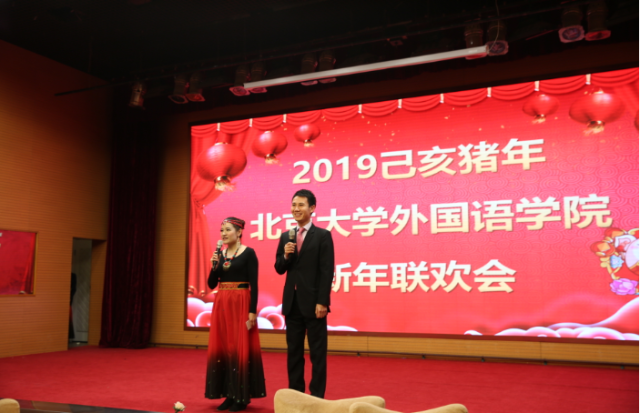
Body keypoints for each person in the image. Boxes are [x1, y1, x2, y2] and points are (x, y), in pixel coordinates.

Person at [275, 189, 335, 398]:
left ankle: (317, 397)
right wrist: (286, 255)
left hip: (314, 304)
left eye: (301, 205)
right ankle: (296, 395)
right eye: (294, 205)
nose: (296, 209)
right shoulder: (286, 236)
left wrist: (322, 302)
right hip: (292, 303)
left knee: (317, 354)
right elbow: (279, 268)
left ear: (312, 208)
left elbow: (326, 271)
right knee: (294, 352)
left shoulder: (323, 236)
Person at [205, 217, 266, 412]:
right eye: (222, 230)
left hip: (241, 302)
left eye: (228, 230)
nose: (223, 234)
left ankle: (241, 397)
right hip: (222, 303)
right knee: (225, 347)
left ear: (239, 232)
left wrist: (252, 311)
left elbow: (254, 284)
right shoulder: (220, 255)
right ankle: (228, 395)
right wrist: (214, 266)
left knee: (239, 348)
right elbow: (211, 284)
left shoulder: (249, 253)